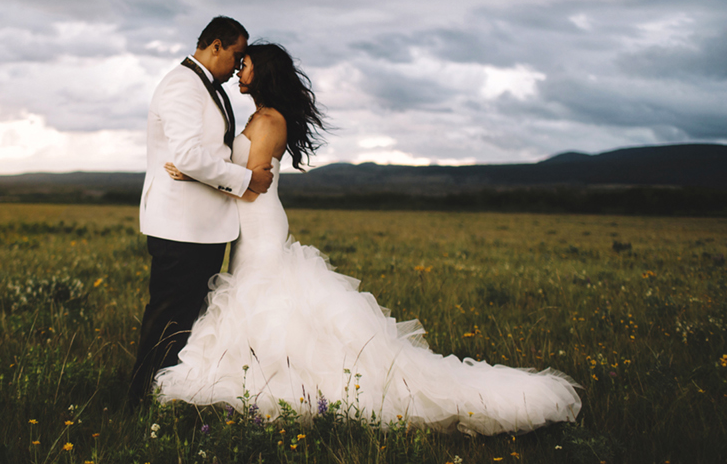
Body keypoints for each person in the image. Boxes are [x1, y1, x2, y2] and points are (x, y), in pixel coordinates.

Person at [154, 43, 581, 434]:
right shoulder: (258, 115)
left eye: (244, 65)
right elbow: (244, 175)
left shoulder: (268, 120)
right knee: (256, 302)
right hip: (248, 225)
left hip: (260, 224)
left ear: (261, 72)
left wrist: (194, 171)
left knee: (264, 300)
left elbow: (253, 185)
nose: (239, 70)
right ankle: (260, 376)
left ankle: (282, 382)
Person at [128, 16, 274, 409]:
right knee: (168, 315)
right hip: (181, 227)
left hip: (202, 226)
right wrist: (244, 178)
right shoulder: (182, 86)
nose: (238, 65)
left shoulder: (203, 85)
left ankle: (171, 395)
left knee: (188, 319)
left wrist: (202, 172)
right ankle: (140, 399)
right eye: (236, 55)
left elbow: (204, 155)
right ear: (215, 46)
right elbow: (190, 155)